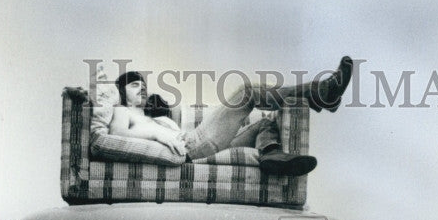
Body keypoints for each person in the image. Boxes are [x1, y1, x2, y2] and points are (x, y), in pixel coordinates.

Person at [109, 59, 353, 177]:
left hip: (196, 145)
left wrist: (160, 125)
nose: (141, 88)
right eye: (133, 85)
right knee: (246, 93)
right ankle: (321, 92)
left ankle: (271, 154)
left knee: (264, 123)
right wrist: (156, 133)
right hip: (193, 145)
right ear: (122, 92)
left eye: (143, 84)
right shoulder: (122, 111)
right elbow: (118, 136)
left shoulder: (149, 114)